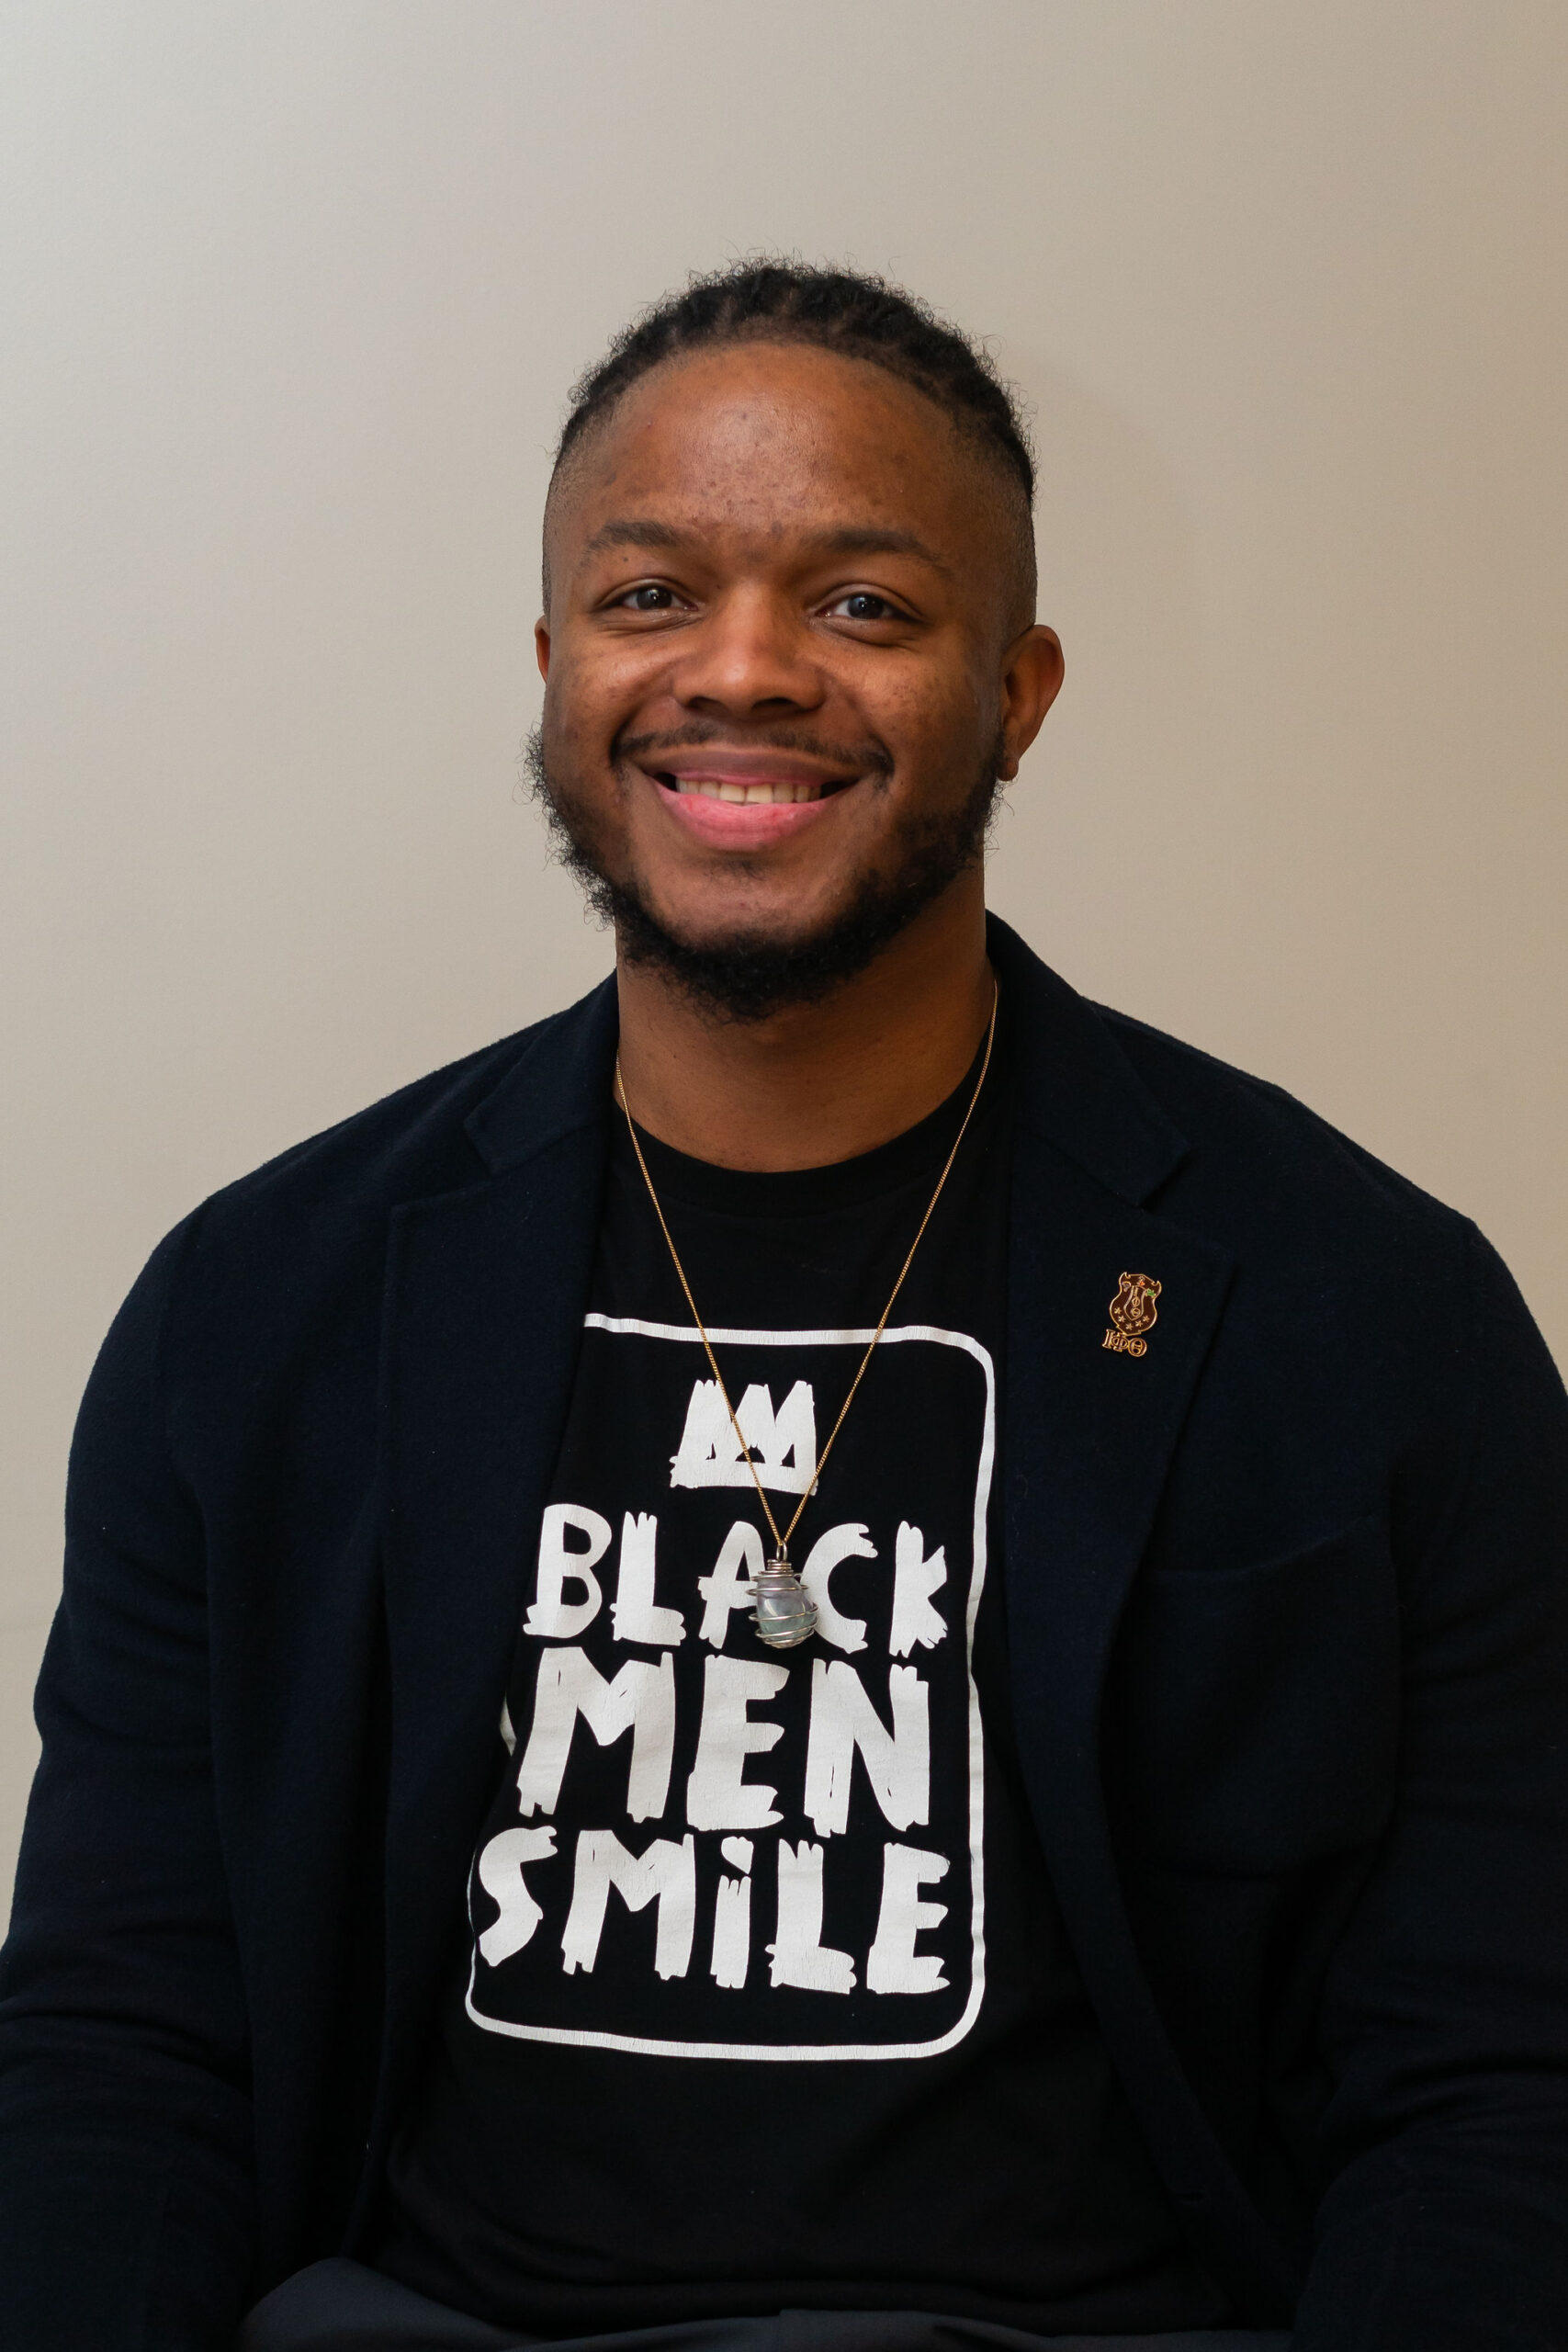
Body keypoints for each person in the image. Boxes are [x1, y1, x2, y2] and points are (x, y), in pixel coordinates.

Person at [2, 263, 1565, 2352]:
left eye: (861, 605)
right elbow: (122, 2046)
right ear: (553, 664)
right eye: (649, 597)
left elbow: (1490, 2085)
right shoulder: (260, 1307)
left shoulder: (1365, 1312)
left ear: (1015, 690)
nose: (740, 673)